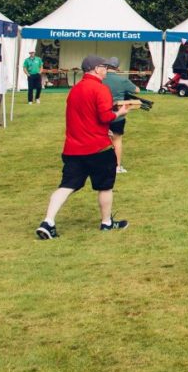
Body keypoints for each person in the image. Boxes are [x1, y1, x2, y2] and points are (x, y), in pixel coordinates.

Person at [36, 54, 129, 239]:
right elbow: (105, 116)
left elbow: (83, 117)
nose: (106, 70)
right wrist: (120, 112)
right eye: (104, 67)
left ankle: (48, 221)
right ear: (96, 69)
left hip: (73, 148)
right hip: (98, 148)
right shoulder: (100, 89)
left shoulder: (75, 89)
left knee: (66, 186)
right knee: (105, 186)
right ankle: (106, 222)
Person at [102, 57, 141, 173]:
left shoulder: (99, 79)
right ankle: (117, 166)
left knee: (99, 139)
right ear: (117, 68)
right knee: (117, 140)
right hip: (118, 115)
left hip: (100, 113)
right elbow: (137, 90)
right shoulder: (122, 80)